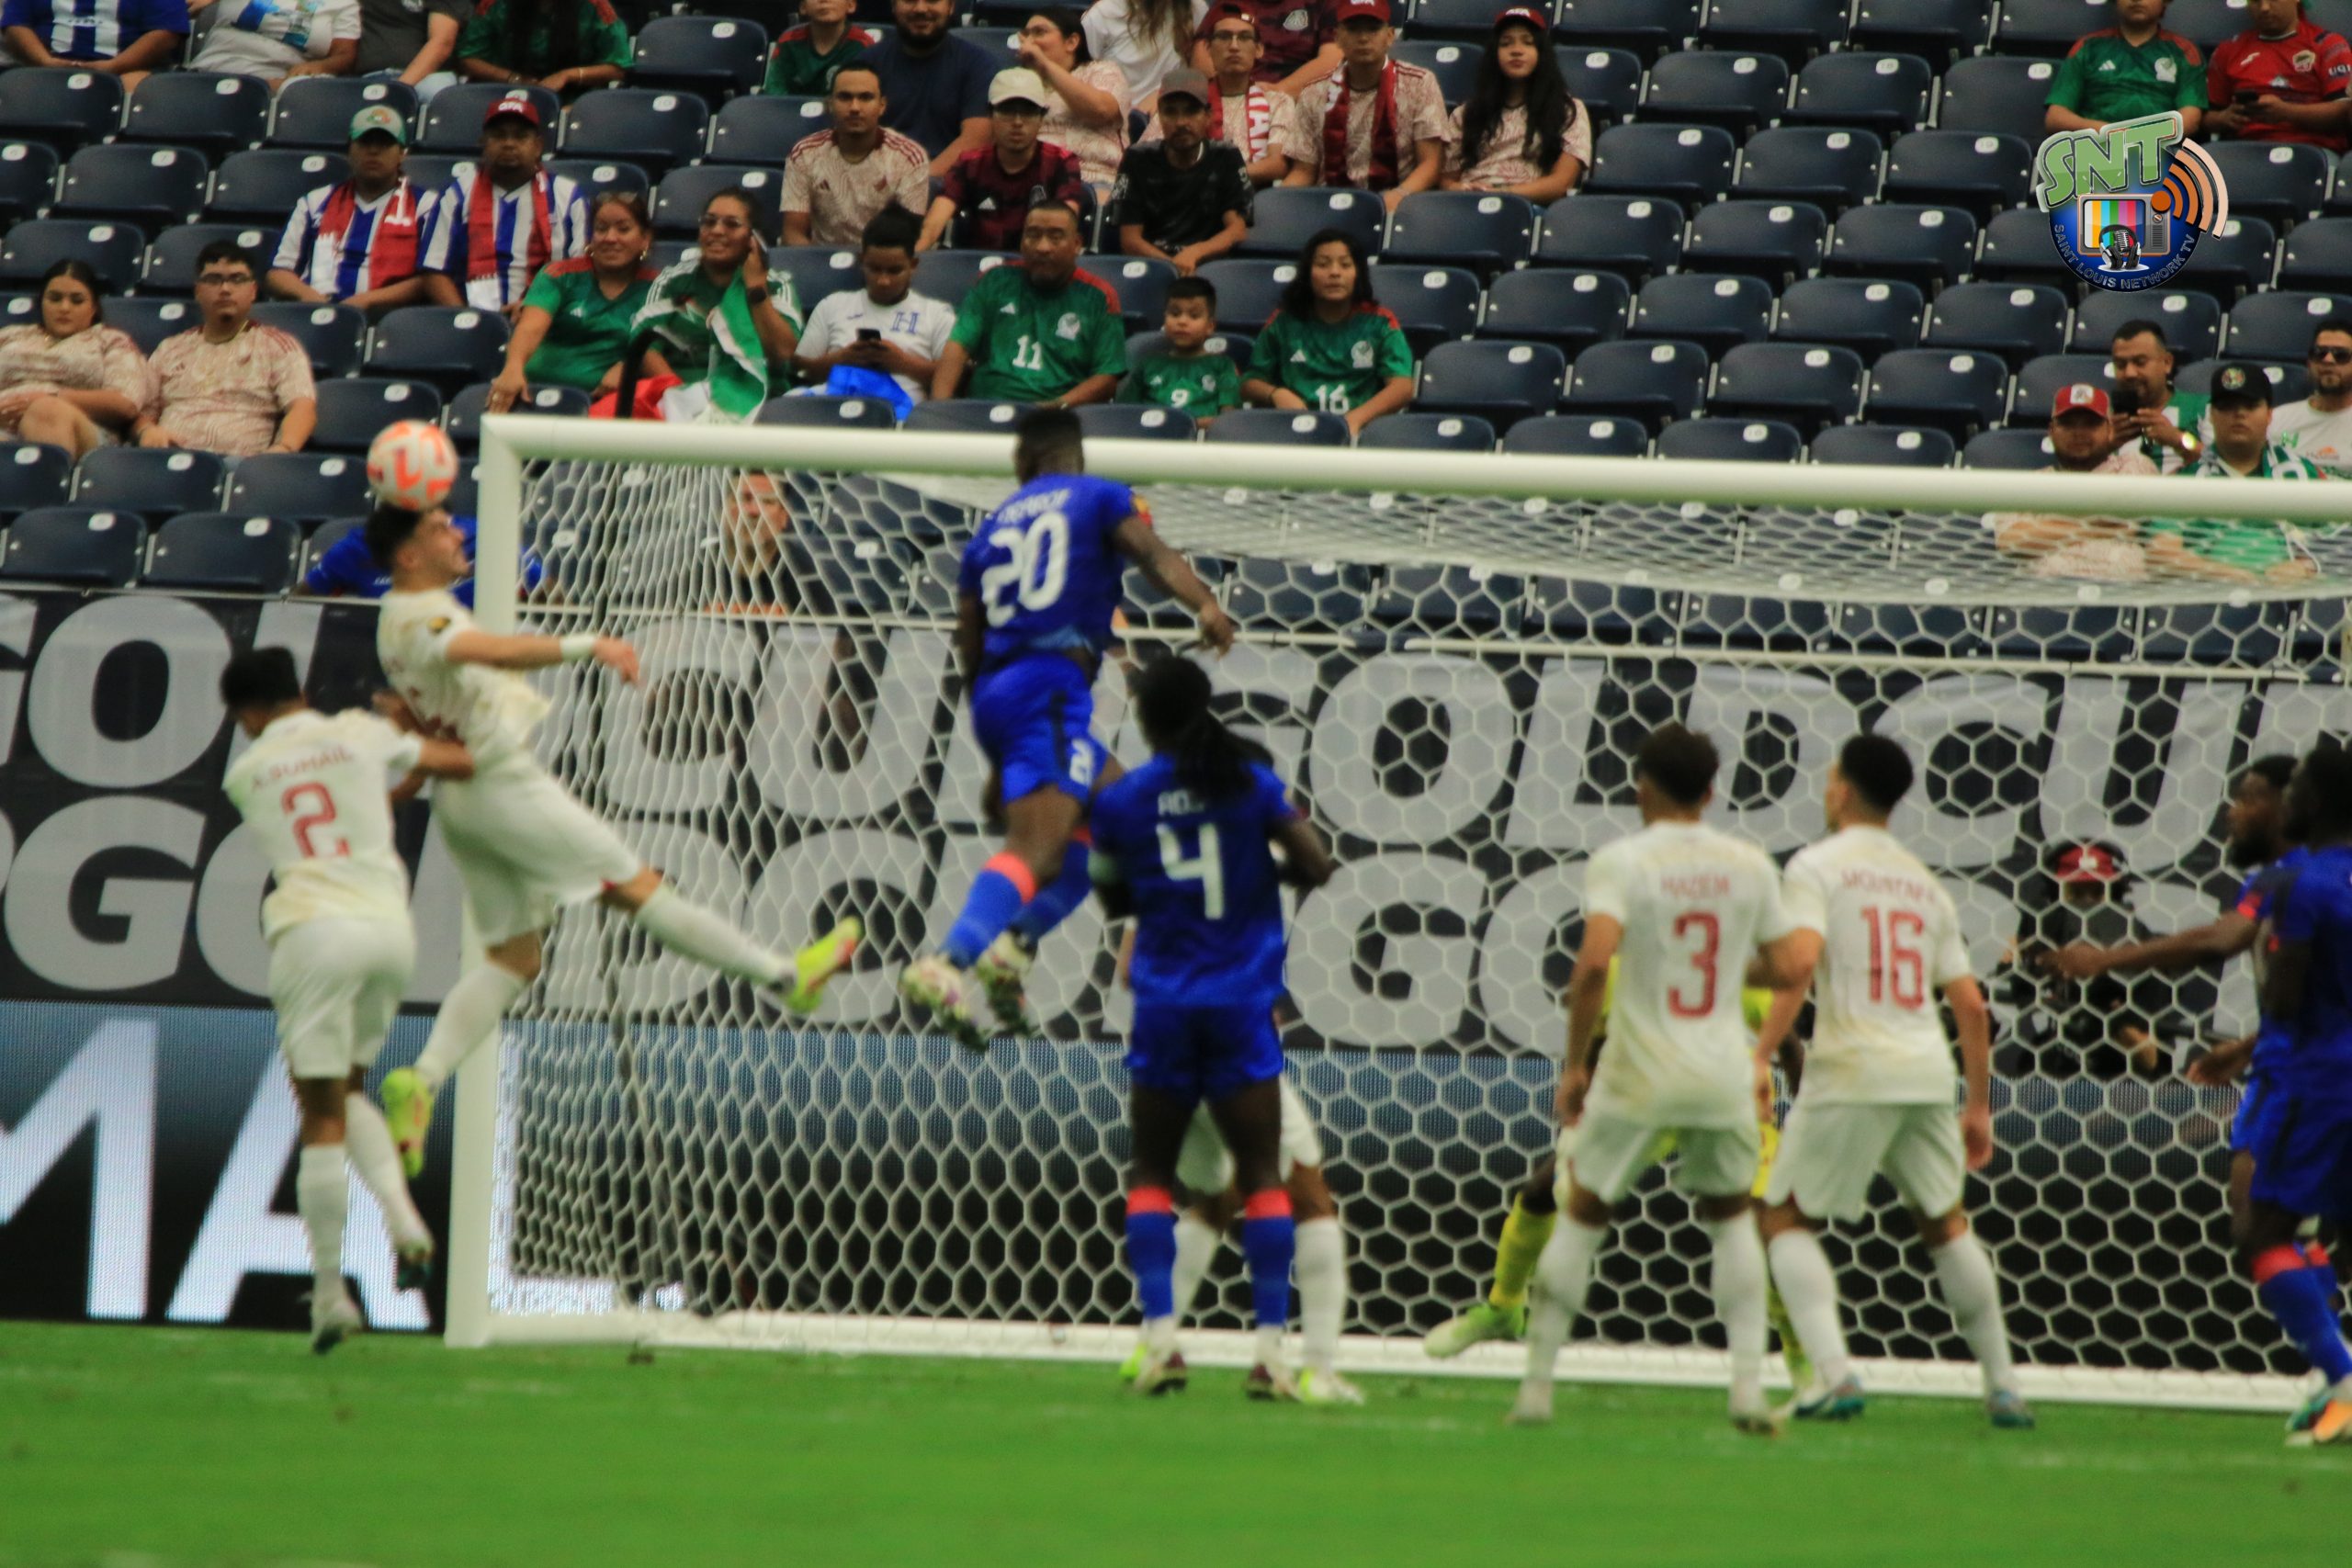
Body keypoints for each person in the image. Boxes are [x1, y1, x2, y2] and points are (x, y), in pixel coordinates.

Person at [367, 501, 863, 1177]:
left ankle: (421, 1078)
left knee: (514, 960)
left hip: (464, 800)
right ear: (408, 556)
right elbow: (490, 649)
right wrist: (587, 645)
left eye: (452, 521)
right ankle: (785, 976)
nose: (458, 531)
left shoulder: (391, 620)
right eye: (438, 528)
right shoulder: (426, 616)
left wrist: (405, 764)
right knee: (641, 888)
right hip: (503, 788)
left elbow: (434, 698)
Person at [896, 409, 1232, 1045]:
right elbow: (1152, 553)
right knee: (1038, 850)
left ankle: (1013, 949)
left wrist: (999, 749)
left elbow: (969, 638)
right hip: (1048, 687)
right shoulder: (1099, 496)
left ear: (1023, 462)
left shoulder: (990, 530)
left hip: (999, 692)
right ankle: (948, 963)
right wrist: (1206, 604)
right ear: (1076, 456)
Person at [1509, 724, 1806, 1433]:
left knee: (1582, 1215)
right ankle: (1746, 1390)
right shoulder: (1748, 863)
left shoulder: (1622, 861)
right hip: (1722, 1073)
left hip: (1637, 1071)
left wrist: (1574, 1065)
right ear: (1711, 792)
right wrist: (1727, 966)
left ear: (1641, 787)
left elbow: (1591, 967)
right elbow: (1792, 966)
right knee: (1732, 1224)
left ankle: (1537, 1389)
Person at [1754, 734, 2032, 1430]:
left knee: (1783, 1219)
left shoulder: (1816, 866)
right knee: (1946, 1224)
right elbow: (1971, 1005)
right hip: (1926, 1068)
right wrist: (1978, 1106)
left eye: (1829, 779)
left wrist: (1758, 1054)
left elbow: (1799, 965)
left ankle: (1833, 1374)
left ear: (1843, 789)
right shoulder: (1922, 882)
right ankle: (2003, 1385)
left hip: (1852, 1063)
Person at [1089, 654, 1335, 1400]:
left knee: (1152, 1174)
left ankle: (1161, 1342)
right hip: (1239, 1006)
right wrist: (1260, 872)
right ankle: (1271, 1355)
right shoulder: (1250, 784)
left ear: (1143, 721)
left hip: (1164, 1006)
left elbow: (1111, 892)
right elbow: (1318, 864)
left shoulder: (1124, 801)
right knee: (1262, 1176)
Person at [217, 648, 473, 1352]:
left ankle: (330, 1292)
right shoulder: (359, 733)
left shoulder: (247, 772)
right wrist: (415, 730)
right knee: (350, 1087)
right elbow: (457, 764)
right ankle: (403, 1218)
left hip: (314, 931)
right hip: (389, 930)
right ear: (298, 690)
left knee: (321, 1110)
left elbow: (323, 822)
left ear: (248, 714)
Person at [1424, 969, 1815, 1404]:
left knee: (1762, 1227)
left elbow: (1790, 1050)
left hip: (1725, 1106)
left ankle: (1802, 1363)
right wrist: (1580, 1108)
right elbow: (1596, 1041)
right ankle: (1503, 1308)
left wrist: (1805, 1129)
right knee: (1543, 1192)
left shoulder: (1731, 971)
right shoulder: (1626, 969)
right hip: (1643, 1103)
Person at [2038, 756, 2297, 1098]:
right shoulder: (2292, 878)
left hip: (2323, 1086)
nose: (2232, 811)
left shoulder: (2291, 880)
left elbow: (2219, 939)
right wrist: (2249, 1048)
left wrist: (2102, 962)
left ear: (2288, 807)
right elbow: (2322, 1007)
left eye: (2248, 799)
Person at [2244, 745, 2352, 1446]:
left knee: (2266, 1233)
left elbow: (2285, 999)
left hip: (2319, 1079)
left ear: (2316, 802)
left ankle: (2343, 1379)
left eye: (2296, 791)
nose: (2289, 802)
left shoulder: (2304, 885)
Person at [627, 186, 802, 423]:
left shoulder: (777, 285)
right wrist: (687, 399)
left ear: (754, 238)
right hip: (679, 404)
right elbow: (645, 346)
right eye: (709, 222)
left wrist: (755, 288)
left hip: (759, 407)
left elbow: (783, 353)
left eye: (732, 224)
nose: (717, 231)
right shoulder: (673, 281)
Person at [931, 202, 1127, 406]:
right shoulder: (994, 281)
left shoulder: (1099, 296)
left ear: (1077, 244)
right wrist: (939, 408)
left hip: (1058, 416)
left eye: (1055, 237)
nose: (1043, 247)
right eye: (1033, 235)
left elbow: (1106, 378)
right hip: (984, 409)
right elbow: (958, 347)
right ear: (1022, 242)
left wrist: (1052, 408)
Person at [2149, 361, 2325, 583]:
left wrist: (2306, 566)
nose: (2239, 413)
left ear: (2269, 415)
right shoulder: (2187, 481)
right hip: (2207, 596)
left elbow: (2338, 539)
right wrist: (2227, 574)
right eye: (2227, 406)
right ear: (2212, 415)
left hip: (2289, 596)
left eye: (2250, 405)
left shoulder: (2300, 472)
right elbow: (2160, 553)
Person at [134, 243, 316, 457]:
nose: (225, 289)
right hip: (168, 459)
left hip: (238, 465)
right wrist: (147, 431)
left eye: (237, 279)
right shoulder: (170, 349)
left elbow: (302, 408)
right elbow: (141, 412)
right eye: (214, 279)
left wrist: (283, 448)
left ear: (253, 291)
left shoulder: (278, 346)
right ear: (198, 291)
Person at [418, 94, 589, 314]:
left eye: (520, 136)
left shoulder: (568, 194)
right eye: (499, 136)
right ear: (483, 143)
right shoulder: (456, 193)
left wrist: (537, 310)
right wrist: (468, 319)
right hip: (470, 318)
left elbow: (580, 272)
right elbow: (433, 271)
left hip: (546, 319)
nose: (509, 143)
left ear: (538, 146)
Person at [488, 188, 656, 410]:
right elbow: (530, 327)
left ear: (645, 239)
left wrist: (630, 367)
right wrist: (514, 366)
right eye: (601, 229)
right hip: (533, 394)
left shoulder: (658, 287)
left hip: (608, 403)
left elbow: (658, 348)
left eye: (623, 229)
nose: (610, 238)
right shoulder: (559, 275)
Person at [1240, 228, 1413, 434]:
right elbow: (1249, 383)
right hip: (1294, 431)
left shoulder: (1380, 322)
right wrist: (1276, 394)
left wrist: (1355, 419)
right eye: (1323, 264)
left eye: (1345, 265)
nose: (1334, 273)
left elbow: (1402, 387)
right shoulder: (1284, 321)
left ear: (1358, 273)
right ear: (1307, 273)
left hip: (1359, 433)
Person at [1278, 0, 1446, 210]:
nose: (1364, 38)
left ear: (1390, 36)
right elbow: (1304, 171)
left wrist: (1399, 195)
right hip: (1328, 204)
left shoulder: (1420, 83)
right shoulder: (1314, 93)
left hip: (1398, 204)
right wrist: (1277, 203)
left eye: (1373, 29)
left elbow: (1431, 163)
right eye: (1353, 29)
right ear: (1337, 37)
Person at [267, 107, 437, 315]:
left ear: (402, 153)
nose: (373, 151)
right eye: (364, 142)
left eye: (384, 144)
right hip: (314, 312)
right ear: (349, 150)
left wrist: (367, 301)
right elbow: (278, 273)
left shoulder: (426, 206)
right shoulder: (315, 201)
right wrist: (309, 297)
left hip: (389, 318)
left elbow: (431, 278)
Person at [1983, 383, 2159, 581]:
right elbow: (2010, 542)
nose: (2079, 432)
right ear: (2051, 431)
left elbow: (2125, 511)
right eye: (2068, 424)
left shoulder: (2133, 464)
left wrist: (2046, 527)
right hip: (2049, 594)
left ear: (2109, 429)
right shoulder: (2027, 485)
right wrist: (2102, 524)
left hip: (2123, 591)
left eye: (2090, 424)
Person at [789, 208, 955, 409]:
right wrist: (841, 360)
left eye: (894, 271)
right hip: (833, 408)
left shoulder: (937, 314)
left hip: (901, 415)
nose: (884, 281)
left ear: (913, 265)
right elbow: (801, 371)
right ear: (862, 262)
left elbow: (955, 378)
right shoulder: (832, 305)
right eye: (875, 269)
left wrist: (903, 364)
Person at [920, 68, 1090, 254]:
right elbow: (933, 225)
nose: (1017, 122)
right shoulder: (970, 163)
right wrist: (915, 255)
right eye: (1007, 111)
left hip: (1039, 261)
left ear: (1042, 118)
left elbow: (1064, 229)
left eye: (1028, 112)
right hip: (981, 266)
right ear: (990, 115)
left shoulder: (1061, 162)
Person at [0, 259, 154, 459]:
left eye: (77, 300)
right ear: (41, 303)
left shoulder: (111, 340)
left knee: (46, 410)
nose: (64, 307)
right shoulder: (10, 336)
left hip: (80, 429)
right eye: (54, 299)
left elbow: (126, 403)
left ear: (94, 307)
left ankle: (48, 476)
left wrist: (50, 396)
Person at [1111, 69, 1252, 274]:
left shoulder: (1226, 157)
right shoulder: (1137, 159)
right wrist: (1173, 267)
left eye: (1191, 111)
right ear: (1159, 117)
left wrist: (1195, 253)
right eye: (1170, 112)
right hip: (1152, 268)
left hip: (1210, 268)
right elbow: (1130, 240)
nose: (1181, 122)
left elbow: (1236, 231)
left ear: (1208, 116)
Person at [780, 64, 932, 250]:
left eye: (865, 97)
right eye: (845, 97)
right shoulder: (804, 154)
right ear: (830, 104)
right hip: (821, 259)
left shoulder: (910, 158)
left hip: (882, 261)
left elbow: (911, 239)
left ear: (882, 106)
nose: (854, 107)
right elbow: (793, 233)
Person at [1444, 7, 1588, 201]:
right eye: (1506, 43)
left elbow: (1562, 182)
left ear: (1542, 53)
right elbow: (1446, 179)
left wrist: (1504, 194)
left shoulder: (1568, 110)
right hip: (1468, 202)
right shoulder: (1466, 113)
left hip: (1526, 206)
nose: (1516, 51)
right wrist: (1460, 189)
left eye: (1528, 43)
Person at [1148, 3, 1296, 185]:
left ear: (1259, 49)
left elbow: (1277, 165)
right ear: (1208, 48)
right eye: (1224, 37)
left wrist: (1217, 175)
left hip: (1255, 194)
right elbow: (1148, 157)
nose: (1234, 46)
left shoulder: (1277, 102)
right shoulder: (1188, 101)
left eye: (1244, 37)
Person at [863, 0, 997, 174]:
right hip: (877, 177)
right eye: (909, 0)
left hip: (948, 182)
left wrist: (917, 182)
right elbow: (849, 135)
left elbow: (976, 140)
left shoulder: (979, 64)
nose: (920, 8)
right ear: (894, 6)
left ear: (950, 6)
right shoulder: (867, 64)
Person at [2202, 0, 2351, 151]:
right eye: (2255, 1)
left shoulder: (2328, 44)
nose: (2264, 8)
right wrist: (2223, 119)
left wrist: (2287, 112)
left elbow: (2344, 112)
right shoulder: (2228, 50)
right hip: (2244, 150)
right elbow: (2205, 118)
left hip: (2311, 150)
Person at [2043, 0, 2206, 136]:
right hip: (2096, 149)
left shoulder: (2185, 51)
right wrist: (2107, 132)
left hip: (2161, 150)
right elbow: (2055, 118)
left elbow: (2190, 120)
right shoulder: (2088, 47)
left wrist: (2141, 137)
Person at [1018, 7, 1130, 190]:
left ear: (1071, 42)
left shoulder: (1101, 71)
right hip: (1031, 182)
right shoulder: (1020, 81)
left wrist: (1045, 65)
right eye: (1026, 34)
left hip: (1091, 178)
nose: (1030, 41)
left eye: (1039, 32)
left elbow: (1102, 110)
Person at [1119, 275, 1240, 418]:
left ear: (1210, 326)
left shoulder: (1223, 367)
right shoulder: (1147, 366)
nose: (1182, 321)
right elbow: (1126, 414)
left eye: (1194, 316)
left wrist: (1190, 425)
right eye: (1175, 314)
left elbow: (1228, 419)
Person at [456, 0, 629, 95]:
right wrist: (514, 79)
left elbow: (618, 67)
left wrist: (567, 76)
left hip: (576, 98)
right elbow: (469, 58)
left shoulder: (595, 5)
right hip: (507, 94)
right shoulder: (494, 4)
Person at [0, 0, 186, 87]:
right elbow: (16, 25)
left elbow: (165, 33)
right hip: (44, 66)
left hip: (128, 69)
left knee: (138, 87)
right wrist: (45, 62)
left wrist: (114, 66)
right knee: (17, 86)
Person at [2109, 318, 2209, 472]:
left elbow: (2224, 463)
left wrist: (2179, 439)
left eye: (2140, 362)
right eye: (2121, 365)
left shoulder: (2203, 408)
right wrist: (2105, 445)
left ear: (2167, 363)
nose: (2129, 373)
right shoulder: (2099, 416)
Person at [188, 0, 360, 86]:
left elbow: (344, 55)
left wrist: (319, 67)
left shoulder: (344, 3)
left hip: (276, 83)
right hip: (210, 71)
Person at [1191, 0, 1335, 99]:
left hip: (1298, 101)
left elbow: (1333, 58)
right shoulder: (1229, 3)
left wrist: (1278, 92)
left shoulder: (1324, 3)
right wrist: (1233, 95)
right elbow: (1202, 55)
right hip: (1233, 95)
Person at [2269, 318, 2352, 475]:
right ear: (2309, 363)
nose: (2328, 360)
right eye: (2320, 353)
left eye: (2341, 355)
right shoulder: (2277, 420)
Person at [1082, 0, 1204, 105]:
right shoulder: (1100, 17)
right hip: (1116, 118)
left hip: (1172, 113)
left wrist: (1162, 93)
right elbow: (1080, 87)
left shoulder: (1195, 8)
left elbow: (1204, 78)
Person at [763, 0, 873, 96]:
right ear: (803, 7)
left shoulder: (863, 45)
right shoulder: (789, 42)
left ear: (851, 5)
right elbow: (774, 91)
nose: (824, 0)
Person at [356, 0, 463, 97]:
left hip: (429, 77)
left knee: (436, 93)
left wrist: (398, 89)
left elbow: (442, 42)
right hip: (370, 76)